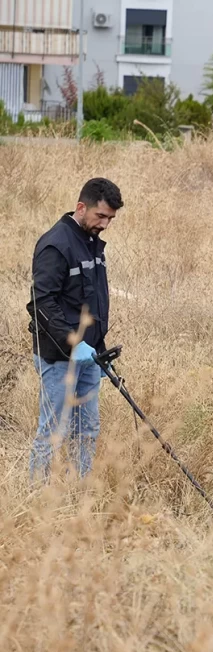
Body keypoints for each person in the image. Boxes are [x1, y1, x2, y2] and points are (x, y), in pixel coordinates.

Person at [27, 178, 123, 484]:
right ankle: (36, 500)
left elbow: (90, 304)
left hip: (89, 358)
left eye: (110, 218)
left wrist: (99, 349)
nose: (105, 224)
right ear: (81, 207)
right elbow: (40, 303)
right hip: (59, 359)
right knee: (53, 430)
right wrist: (73, 343)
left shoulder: (92, 243)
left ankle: (79, 495)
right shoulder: (56, 245)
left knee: (87, 430)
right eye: (101, 216)